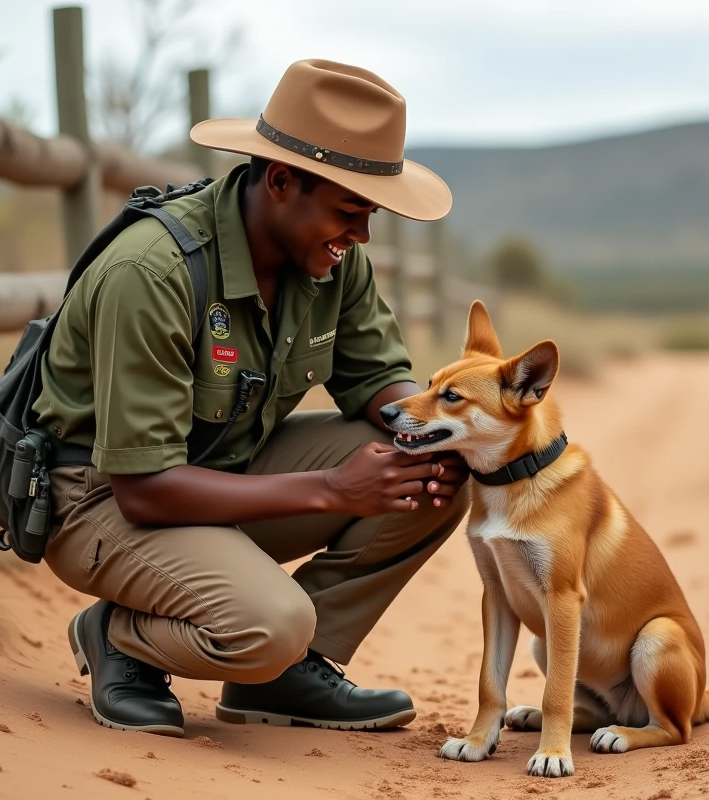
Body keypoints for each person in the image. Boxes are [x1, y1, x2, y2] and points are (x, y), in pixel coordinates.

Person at [30, 58, 470, 737]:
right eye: (350, 211)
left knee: (437, 466)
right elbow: (145, 490)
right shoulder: (153, 272)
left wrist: (446, 429)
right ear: (282, 180)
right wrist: (333, 489)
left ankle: (290, 676)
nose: (362, 235)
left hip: (220, 474)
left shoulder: (330, 259)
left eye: (371, 214)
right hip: (101, 501)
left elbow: (383, 382)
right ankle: (120, 636)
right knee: (273, 625)